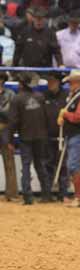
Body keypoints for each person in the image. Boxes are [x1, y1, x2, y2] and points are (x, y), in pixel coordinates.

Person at [8, 72, 51, 205]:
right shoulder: (40, 97)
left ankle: (28, 196)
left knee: (26, 166)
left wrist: (10, 140)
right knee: (40, 165)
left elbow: (13, 121)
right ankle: (46, 194)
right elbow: (46, 117)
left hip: (26, 136)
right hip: (41, 136)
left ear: (21, 84)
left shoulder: (17, 99)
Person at [57, 69, 80, 208]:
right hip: (74, 134)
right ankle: (79, 196)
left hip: (78, 135)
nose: (70, 84)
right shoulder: (76, 96)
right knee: (73, 164)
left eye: (71, 82)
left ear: (77, 82)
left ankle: (79, 196)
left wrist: (66, 115)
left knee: (73, 164)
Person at [43, 71, 69, 202]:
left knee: (63, 165)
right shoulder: (45, 96)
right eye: (48, 81)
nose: (50, 84)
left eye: (52, 81)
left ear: (59, 82)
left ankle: (63, 193)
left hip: (62, 135)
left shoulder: (66, 96)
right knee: (48, 164)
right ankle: (47, 193)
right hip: (48, 135)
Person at [0, 71, 17, 201]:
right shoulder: (11, 95)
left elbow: (10, 113)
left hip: (5, 128)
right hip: (5, 126)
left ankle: (11, 193)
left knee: (9, 160)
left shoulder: (10, 94)